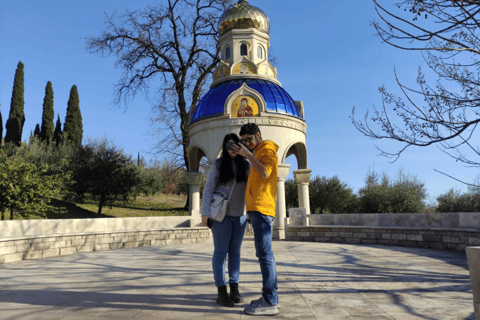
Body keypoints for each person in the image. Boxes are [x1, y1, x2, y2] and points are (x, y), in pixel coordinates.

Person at [233, 123, 280, 316]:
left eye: (249, 139)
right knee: (263, 254)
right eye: (243, 141)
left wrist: (248, 156)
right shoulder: (260, 150)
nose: (247, 143)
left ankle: (270, 301)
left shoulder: (266, 149)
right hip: (257, 209)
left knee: (265, 255)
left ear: (258, 135)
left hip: (262, 208)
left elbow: (265, 172)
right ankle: (268, 297)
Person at [201, 133, 250, 307]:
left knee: (235, 252)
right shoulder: (219, 165)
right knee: (220, 252)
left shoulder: (246, 165)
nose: (232, 149)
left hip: (240, 216)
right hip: (221, 216)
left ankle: (234, 287)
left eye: (236, 145)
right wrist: (204, 213)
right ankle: (221, 291)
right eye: (229, 145)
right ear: (224, 146)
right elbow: (208, 190)